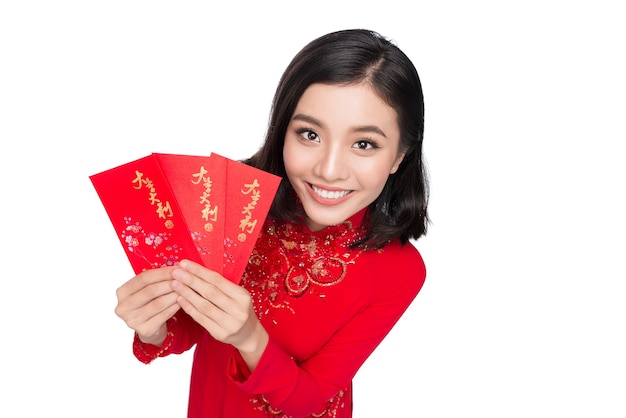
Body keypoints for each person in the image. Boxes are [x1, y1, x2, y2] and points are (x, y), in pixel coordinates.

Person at [115, 28, 429, 417]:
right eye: (309, 134)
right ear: (283, 132)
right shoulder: (238, 202)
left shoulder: (399, 270)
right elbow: (192, 326)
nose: (329, 170)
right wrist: (152, 324)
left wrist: (249, 337)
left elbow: (312, 400)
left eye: (364, 143)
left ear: (400, 156)